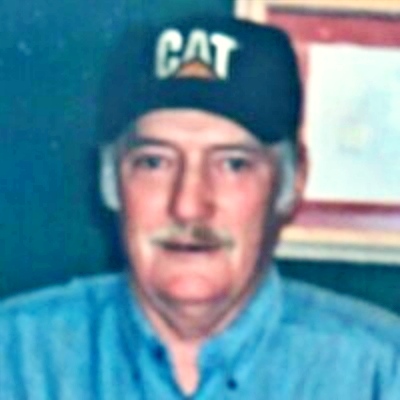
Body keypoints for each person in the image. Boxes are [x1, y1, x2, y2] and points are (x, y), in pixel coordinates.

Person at [1, 16, 400, 399]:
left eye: (233, 164)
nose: (189, 206)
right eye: (155, 162)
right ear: (110, 181)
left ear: (292, 183)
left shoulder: (378, 374)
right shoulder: (17, 359)